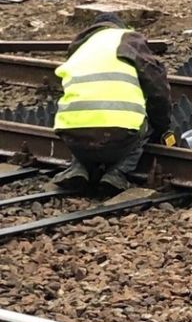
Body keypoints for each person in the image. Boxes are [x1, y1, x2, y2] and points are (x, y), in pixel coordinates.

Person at [52, 13, 171, 195]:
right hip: (120, 139)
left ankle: (79, 167)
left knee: (82, 116)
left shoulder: (79, 48)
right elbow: (157, 89)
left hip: (72, 138)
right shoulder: (127, 39)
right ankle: (118, 173)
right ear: (118, 27)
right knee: (147, 125)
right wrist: (162, 127)